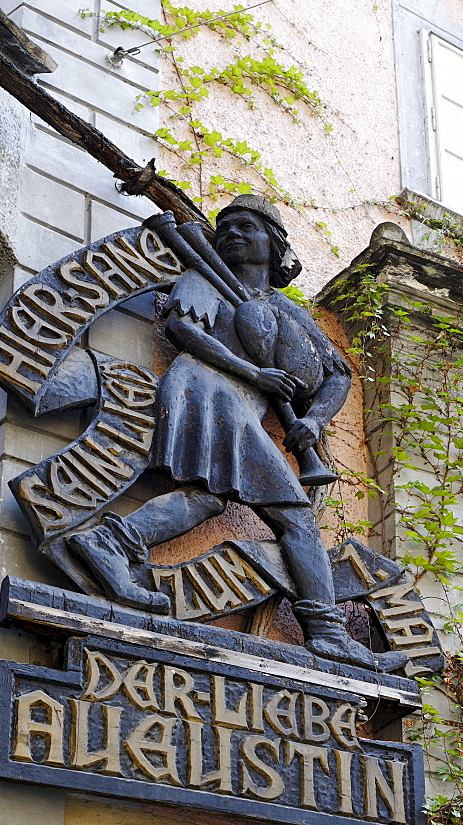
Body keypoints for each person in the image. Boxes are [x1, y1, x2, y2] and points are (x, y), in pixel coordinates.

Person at [69, 195, 406, 672]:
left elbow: (337, 375)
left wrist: (312, 421)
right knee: (295, 516)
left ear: (274, 242)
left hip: (238, 401)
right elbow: (185, 330)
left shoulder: (286, 310)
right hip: (208, 388)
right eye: (225, 226)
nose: (232, 233)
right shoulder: (205, 277)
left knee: (204, 497)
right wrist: (253, 372)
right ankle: (327, 632)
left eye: (246, 226)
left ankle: (111, 542)